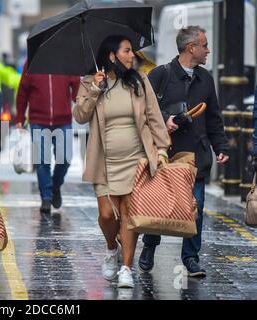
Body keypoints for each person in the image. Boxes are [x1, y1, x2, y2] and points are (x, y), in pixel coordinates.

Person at [73, 35, 171, 288]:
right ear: (112, 56)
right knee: (107, 215)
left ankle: (126, 268)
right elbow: (80, 116)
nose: (133, 56)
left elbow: (154, 116)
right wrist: (95, 89)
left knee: (129, 215)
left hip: (136, 160)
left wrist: (161, 150)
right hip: (104, 162)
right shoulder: (91, 82)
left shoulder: (139, 82)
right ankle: (110, 248)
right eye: (127, 51)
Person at [138, 26, 229, 278]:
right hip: (166, 155)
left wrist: (220, 146)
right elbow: (144, 110)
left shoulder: (206, 78)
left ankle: (191, 258)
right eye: (204, 45)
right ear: (192, 48)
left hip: (196, 158)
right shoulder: (160, 75)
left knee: (195, 208)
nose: (207, 50)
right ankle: (149, 246)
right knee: (159, 206)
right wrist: (166, 119)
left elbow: (213, 117)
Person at [16, 61, 80, 214]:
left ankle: (55, 186)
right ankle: (46, 197)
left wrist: (81, 103)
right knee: (42, 161)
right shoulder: (31, 63)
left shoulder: (65, 62)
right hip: (38, 120)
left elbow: (76, 87)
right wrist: (19, 117)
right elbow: (23, 91)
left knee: (64, 159)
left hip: (63, 120)